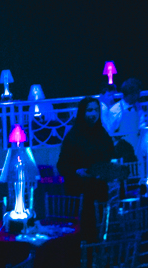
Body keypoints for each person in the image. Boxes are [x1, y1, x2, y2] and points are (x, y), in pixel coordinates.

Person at [56, 96, 133, 236]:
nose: (93, 114)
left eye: (96, 110)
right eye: (89, 110)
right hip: (80, 190)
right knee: (86, 227)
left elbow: (108, 154)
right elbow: (62, 165)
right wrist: (77, 171)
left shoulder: (101, 133)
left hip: (99, 188)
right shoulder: (73, 136)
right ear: (82, 112)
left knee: (101, 225)